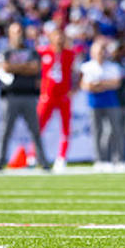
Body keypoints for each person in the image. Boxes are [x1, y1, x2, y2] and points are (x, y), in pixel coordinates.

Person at [0, 23, 49, 171]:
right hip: (10, 96)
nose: (18, 34)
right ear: (9, 34)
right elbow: (5, 67)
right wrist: (24, 67)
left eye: (19, 31)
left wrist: (16, 67)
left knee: (35, 131)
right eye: (14, 32)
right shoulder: (5, 52)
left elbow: (35, 68)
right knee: (5, 131)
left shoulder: (31, 52)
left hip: (29, 96)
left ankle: (42, 161)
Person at [79, 37, 125, 169]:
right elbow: (85, 85)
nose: (100, 54)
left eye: (102, 51)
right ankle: (100, 160)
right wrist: (105, 84)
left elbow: (116, 83)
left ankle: (118, 158)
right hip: (94, 103)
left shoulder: (112, 66)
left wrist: (98, 84)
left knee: (115, 131)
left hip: (111, 103)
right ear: (92, 53)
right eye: (97, 52)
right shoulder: (87, 67)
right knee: (97, 132)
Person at [36, 22, 76, 170]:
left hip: (63, 95)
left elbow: (76, 73)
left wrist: (75, 88)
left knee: (65, 127)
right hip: (47, 96)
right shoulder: (43, 52)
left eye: (61, 35)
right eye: (56, 35)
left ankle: (62, 157)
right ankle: (34, 155)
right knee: (38, 125)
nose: (59, 38)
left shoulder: (70, 54)